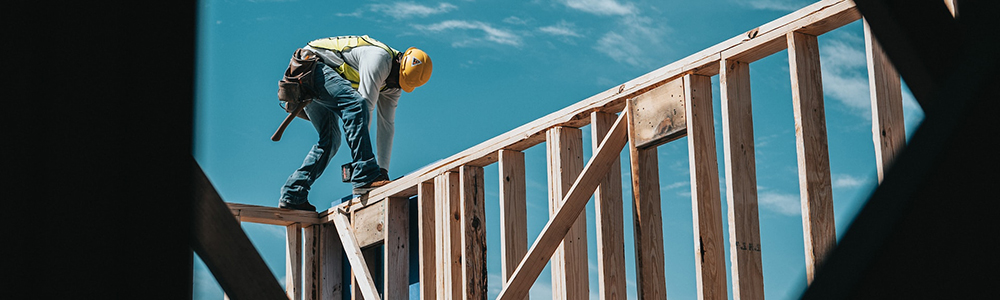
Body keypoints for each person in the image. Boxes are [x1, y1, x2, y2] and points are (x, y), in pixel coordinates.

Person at [278, 35, 432, 211]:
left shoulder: (393, 85)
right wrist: (366, 171)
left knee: (331, 141)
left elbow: (386, 126)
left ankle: (293, 194)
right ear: (399, 62)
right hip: (309, 67)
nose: (393, 85)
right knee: (356, 104)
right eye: (396, 79)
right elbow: (363, 107)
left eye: (399, 84)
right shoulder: (379, 58)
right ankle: (364, 174)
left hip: (318, 79)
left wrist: (383, 171)